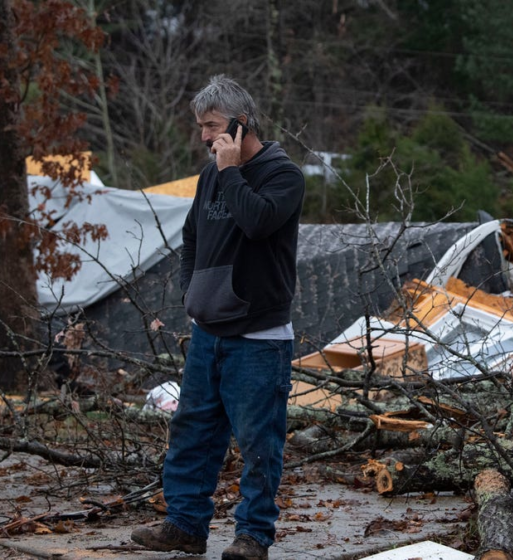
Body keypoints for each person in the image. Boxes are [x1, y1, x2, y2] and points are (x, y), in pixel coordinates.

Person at [131, 75, 304, 560]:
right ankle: (185, 525)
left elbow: (256, 222)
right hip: (209, 332)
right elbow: (191, 237)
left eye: (211, 126)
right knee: (193, 432)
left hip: (260, 337)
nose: (205, 137)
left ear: (239, 122)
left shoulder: (283, 175)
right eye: (201, 127)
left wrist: (230, 172)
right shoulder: (209, 176)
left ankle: (252, 537)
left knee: (258, 443)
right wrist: (192, 290)